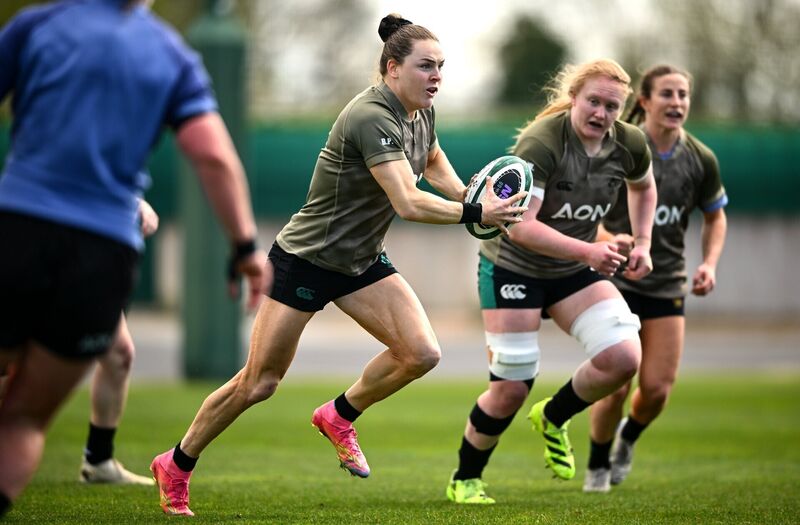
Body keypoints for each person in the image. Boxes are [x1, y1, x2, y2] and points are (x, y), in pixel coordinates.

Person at [149, 13, 527, 517]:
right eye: (425, 66)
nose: (436, 76)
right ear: (392, 68)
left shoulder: (421, 112)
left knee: (420, 353)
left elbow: (431, 157)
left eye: (441, 67)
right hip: (307, 259)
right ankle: (175, 463)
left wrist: (463, 193)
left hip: (360, 261)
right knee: (259, 382)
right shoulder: (372, 115)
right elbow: (408, 201)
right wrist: (476, 211)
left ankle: (339, 414)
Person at [0, 0, 265, 518]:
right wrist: (246, 249)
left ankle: (98, 459)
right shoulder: (171, 54)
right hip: (102, 248)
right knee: (24, 420)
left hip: (17, 228)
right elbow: (213, 156)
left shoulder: (38, 25)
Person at [446, 58, 657, 504]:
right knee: (510, 388)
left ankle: (554, 416)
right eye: (593, 101)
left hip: (570, 268)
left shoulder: (630, 142)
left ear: (623, 110)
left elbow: (644, 186)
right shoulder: (542, 141)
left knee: (622, 357)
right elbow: (520, 226)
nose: (601, 113)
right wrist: (591, 251)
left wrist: (642, 243)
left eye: (612, 106)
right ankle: (465, 478)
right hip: (513, 267)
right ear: (574, 98)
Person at [583, 64, 728, 493]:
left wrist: (710, 263)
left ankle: (627, 438)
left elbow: (715, 216)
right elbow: (580, 215)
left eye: (683, 94)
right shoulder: (614, 148)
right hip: (617, 283)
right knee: (615, 385)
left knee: (658, 390)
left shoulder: (700, 158)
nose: (677, 102)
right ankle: (596, 465)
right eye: (667, 93)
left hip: (666, 284)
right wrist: (610, 240)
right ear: (644, 101)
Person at [78, 199, 159, 486]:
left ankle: (98, 460)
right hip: (36, 233)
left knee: (119, 354)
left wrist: (133, 200)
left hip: (85, 246)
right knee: (11, 361)